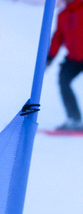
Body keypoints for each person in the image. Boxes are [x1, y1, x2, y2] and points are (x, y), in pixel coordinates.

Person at [48, 0, 83, 131]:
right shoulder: (63, 14)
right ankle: (74, 120)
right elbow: (58, 37)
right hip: (73, 58)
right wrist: (50, 57)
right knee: (63, 81)